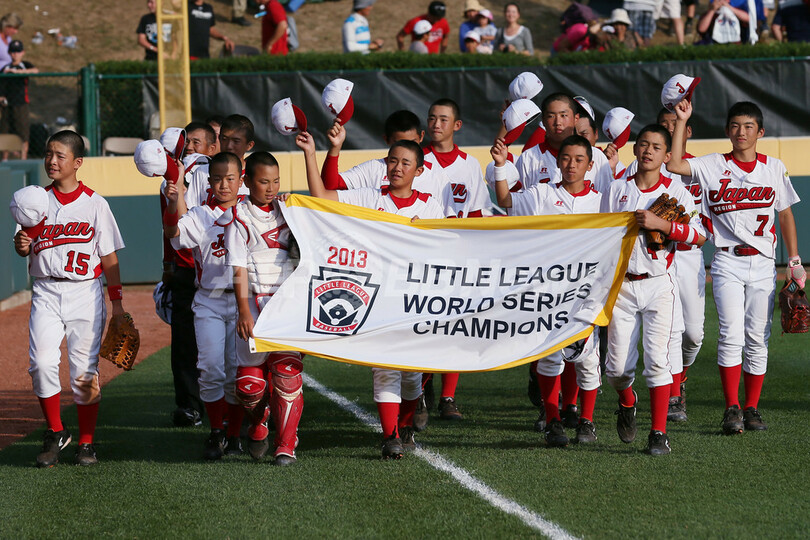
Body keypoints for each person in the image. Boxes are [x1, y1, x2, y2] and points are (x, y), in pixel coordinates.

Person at [300, 133, 445, 459]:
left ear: (418, 171)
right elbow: (321, 196)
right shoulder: (368, 197)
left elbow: (448, 247)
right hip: (378, 297)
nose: (396, 167)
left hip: (416, 299)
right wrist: (312, 152)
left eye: (405, 163)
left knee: (412, 374)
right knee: (384, 368)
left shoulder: (431, 205)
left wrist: (430, 235)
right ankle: (391, 435)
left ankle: (405, 425)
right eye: (392, 160)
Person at [667, 100, 804, 435]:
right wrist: (682, 120)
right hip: (727, 259)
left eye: (748, 126)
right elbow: (673, 163)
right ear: (727, 130)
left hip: (764, 263)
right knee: (731, 336)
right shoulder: (713, 164)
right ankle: (731, 408)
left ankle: (751, 407)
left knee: (758, 337)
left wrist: (795, 260)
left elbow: (784, 213)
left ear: (760, 131)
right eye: (735, 126)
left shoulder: (773, 166)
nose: (741, 132)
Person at [13, 131, 127, 467]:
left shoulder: (95, 203)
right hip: (46, 291)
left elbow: (109, 257)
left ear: (77, 163)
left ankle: (87, 443)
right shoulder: (34, 200)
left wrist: (117, 303)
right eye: (49, 154)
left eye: (60, 155)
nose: (52, 160)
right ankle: (55, 431)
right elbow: (21, 244)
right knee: (42, 364)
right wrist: (20, 246)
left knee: (83, 372)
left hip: (84, 293)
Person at [492, 134, 603, 445]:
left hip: (585, 290)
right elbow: (505, 201)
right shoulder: (541, 193)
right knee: (549, 354)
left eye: (579, 159)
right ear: (557, 161)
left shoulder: (602, 201)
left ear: (590, 165)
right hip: (547, 288)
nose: (571, 164)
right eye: (566, 158)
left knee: (587, 357)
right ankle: (553, 420)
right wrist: (501, 167)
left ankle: (587, 421)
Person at [602, 124, 706, 455]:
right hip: (622, 286)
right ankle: (627, 401)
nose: (648, 150)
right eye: (643, 144)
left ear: (666, 154)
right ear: (635, 149)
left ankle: (658, 433)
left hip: (659, 283)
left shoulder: (678, 189)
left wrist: (663, 225)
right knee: (617, 370)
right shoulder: (617, 189)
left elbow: (700, 235)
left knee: (658, 361)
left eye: (656, 146)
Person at [163, 152, 246, 460]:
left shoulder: (253, 211)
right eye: (217, 179)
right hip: (209, 299)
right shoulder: (200, 214)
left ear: (242, 178)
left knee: (237, 371)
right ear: (209, 181)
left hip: (244, 300)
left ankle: (235, 434)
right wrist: (175, 200)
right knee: (210, 368)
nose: (224, 184)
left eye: (230, 178)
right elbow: (174, 234)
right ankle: (216, 431)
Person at [224, 151, 301, 465]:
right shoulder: (239, 218)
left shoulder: (291, 211)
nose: (271, 188)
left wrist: (297, 208)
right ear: (247, 182)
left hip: (286, 305)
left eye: (276, 181)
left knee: (287, 377)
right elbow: (239, 269)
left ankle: (286, 444)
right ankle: (258, 420)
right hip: (253, 305)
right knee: (250, 386)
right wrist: (243, 309)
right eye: (264, 182)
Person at [1, 40, 37, 160]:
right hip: (6, 105)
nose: (15, 54)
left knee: (23, 133)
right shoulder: (5, 68)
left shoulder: (25, 65)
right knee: (5, 132)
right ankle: (5, 159)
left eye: (17, 51)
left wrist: (16, 72)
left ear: (22, 52)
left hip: (21, 104)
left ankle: (23, 159)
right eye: (12, 52)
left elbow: (35, 71)